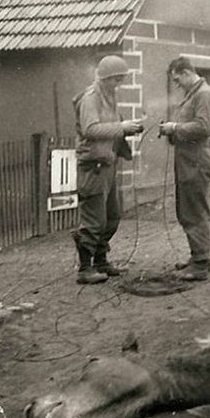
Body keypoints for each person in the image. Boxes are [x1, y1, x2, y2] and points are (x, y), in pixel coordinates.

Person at [72, 55, 145, 284]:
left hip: (108, 164)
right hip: (92, 167)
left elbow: (111, 128)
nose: (118, 85)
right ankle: (85, 269)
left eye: (120, 80)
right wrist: (120, 127)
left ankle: (101, 261)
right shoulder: (90, 99)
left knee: (112, 217)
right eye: (115, 80)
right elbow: (91, 129)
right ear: (104, 79)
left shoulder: (109, 97)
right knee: (93, 220)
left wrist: (128, 129)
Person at [159, 57, 210, 281]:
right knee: (187, 210)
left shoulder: (204, 94)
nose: (177, 85)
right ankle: (196, 257)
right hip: (186, 161)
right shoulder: (193, 94)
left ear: (185, 72)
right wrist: (173, 130)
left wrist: (174, 127)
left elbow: (204, 126)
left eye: (177, 79)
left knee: (195, 211)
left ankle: (201, 264)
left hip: (195, 161)